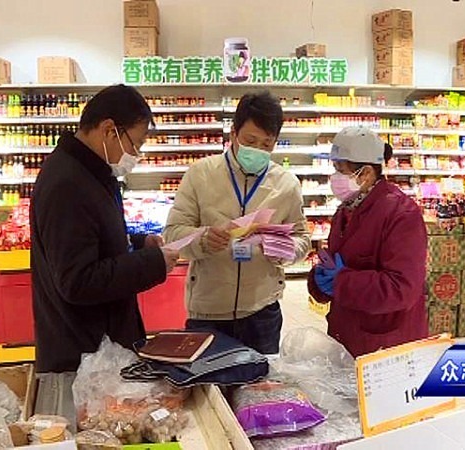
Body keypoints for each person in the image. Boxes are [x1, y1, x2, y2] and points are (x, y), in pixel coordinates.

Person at [30, 84, 179, 375]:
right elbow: (78, 281)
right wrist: (152, 264)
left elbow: (93, 238)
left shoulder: (90, 172)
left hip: (97, 347)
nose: (136, 154)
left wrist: (137, 243)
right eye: (135, 144)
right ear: (110, 130)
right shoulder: (67, 185)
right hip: (82, 357)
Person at [164, 91, 311, 355]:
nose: (258, 150)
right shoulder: (200, 174)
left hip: (262, 312)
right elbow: (173, 235)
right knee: (208, 381)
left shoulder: (287, 184)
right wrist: (204, 239)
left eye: (266, 144)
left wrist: (283, 249)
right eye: (250, 141)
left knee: (260, 381)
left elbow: (302, 239)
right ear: (233, 134)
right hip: (208, 312)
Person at [307, 126, 428, 358]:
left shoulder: (402, 214)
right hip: (347, 336)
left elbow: (402, 288)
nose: (335, 178)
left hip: (386, 347)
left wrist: (341, 281)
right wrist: (320, 280)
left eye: (341, 170)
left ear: (366, 173)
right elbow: (340, 263)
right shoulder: (346, 210)